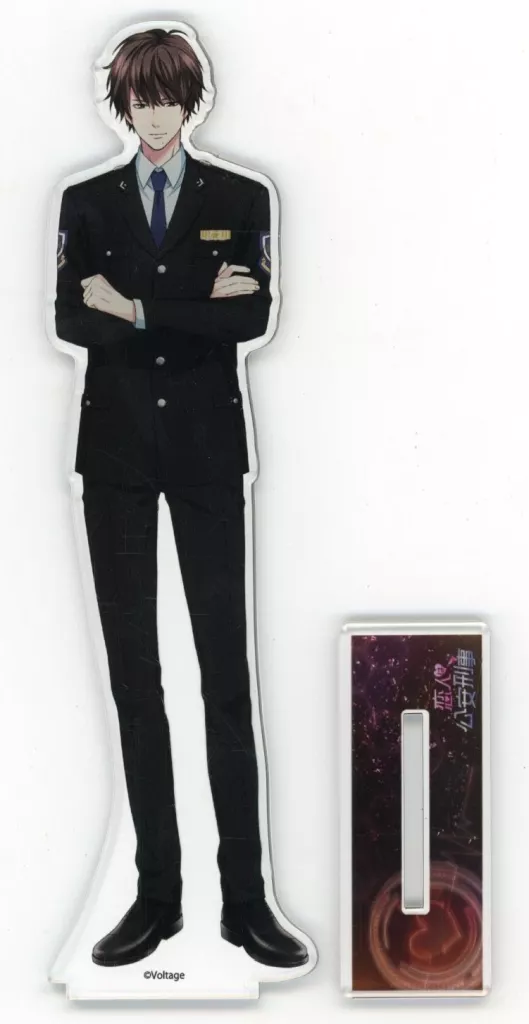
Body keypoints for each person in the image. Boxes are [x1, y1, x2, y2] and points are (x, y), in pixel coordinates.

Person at [54, 27, 308, 970]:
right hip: (115, 458)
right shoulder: (86, 201)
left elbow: (252, 314)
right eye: (140, 99)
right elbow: (68, 317)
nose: (155, 115)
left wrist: (137, 308)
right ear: (123, 105)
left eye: (168, 97)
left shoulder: (240, 196)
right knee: (136, 680)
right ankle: (156, 897)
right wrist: (194, 305)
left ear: (191, 100)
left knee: (224, 677)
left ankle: (245, 902)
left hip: (205, 456)